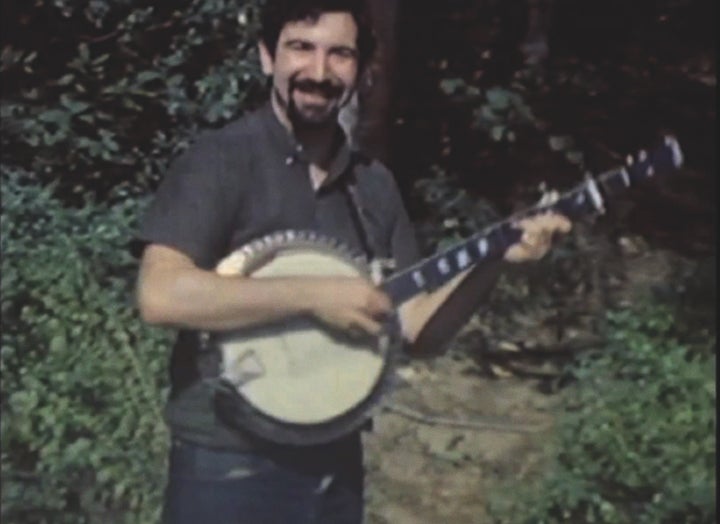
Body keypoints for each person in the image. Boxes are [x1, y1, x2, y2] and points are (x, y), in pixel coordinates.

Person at [134, 0, 571, 522]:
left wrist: (494, 261)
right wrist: (315, 295)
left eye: (340, 55)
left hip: (334, 465)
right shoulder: (222, 160)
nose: (319, 72)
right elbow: (160, 296)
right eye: (301, 48)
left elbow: (418, 333)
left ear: (362, 71)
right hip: (227, 464)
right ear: (267, 57)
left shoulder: (375, 186)